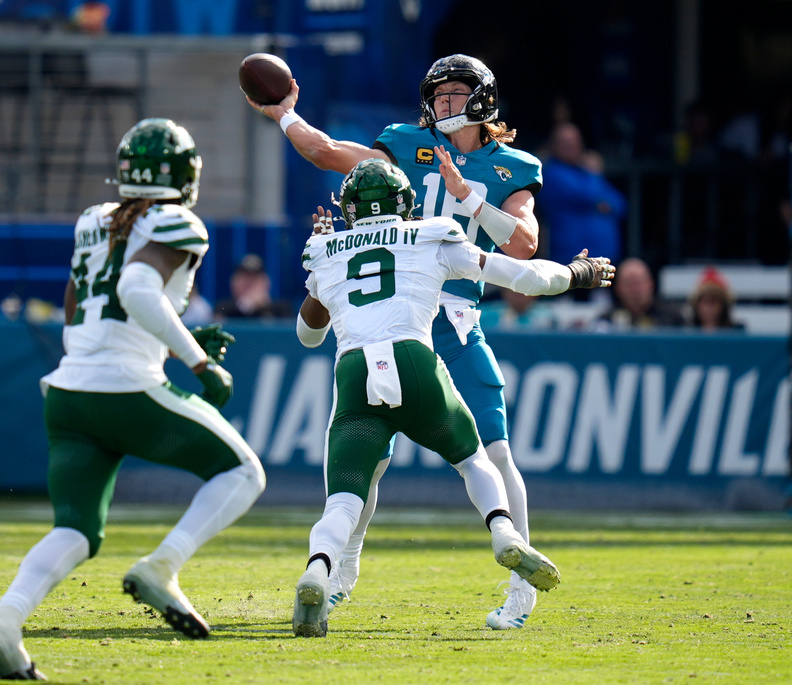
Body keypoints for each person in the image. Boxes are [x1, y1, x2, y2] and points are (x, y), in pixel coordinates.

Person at [251, 53, 550, 629]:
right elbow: (329, 153)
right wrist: (288, 115)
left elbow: (524, 244)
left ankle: (520, 585)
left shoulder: (512, 165)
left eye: (456, 94)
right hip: (392, 315)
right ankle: (341, 575)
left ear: (483, 99)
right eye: (438, 94)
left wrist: (471, 199)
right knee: (369, 464)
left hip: (455, 317)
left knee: (496, 451)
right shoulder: (404, 143)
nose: (444, 104)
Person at [0, 118, 266, 679]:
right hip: (124, 388)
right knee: (242, 474)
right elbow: (135, 290)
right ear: (183, 174)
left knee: (75, 530)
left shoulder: (93, 219)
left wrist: (157, 340)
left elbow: (77, 301)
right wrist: (196, 360)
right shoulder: (176, 219)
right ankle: (162, 567)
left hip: (69, 389)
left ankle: (4, 623)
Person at [291, 158, 613, 637]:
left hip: (356, 372)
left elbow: (308, 336)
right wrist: (576, 273)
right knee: (474, 460)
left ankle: (318, 569)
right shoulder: (431, 235)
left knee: (343, 499)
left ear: (349, 209)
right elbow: (519, 275)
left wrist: (322, 271)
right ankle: (503, 532)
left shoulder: (325, 249)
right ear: (405, 203)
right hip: (417, 362)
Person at [538, 121, 627, 266]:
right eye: (565, 141)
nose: (571, 145)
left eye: (575, 140)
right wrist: (594, 173)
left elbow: (619, 204)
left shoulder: (585, 172)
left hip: (604, 257)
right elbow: (588, 195)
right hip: (571, 259)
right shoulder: (551, 173)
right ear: (553, 145)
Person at [593, 257, 686, 330]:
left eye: (639, 283)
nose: (635, 289)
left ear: (651, 284)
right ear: (618, 288)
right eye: (629, 284)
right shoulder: (606, 321)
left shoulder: (673, 318)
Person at [213, 253, 293, 320]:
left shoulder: (281, 309)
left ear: (266, 282)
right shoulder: (224, 309)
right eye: (244, 278)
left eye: (254, 279)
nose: (249, 284)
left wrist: (261, 307)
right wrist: (244, 307)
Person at [687, 266, 743, 331]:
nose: (709, 307)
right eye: (705, 301)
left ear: (723, 305)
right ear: (697, 305)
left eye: (713, 301)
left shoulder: (737, 333)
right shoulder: (686, 332)